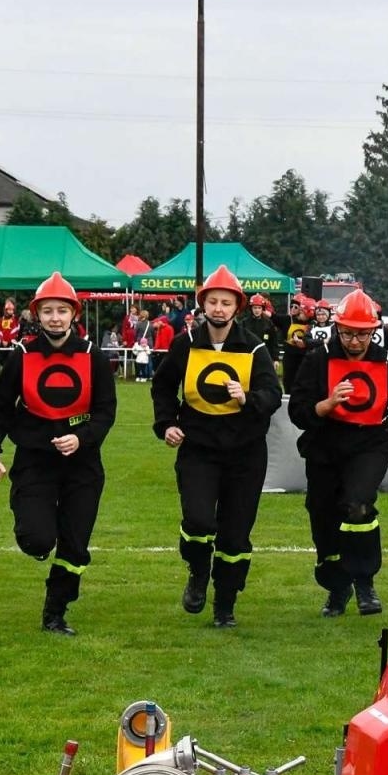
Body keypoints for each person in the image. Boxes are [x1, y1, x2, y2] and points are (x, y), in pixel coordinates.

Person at [0, 273, 117, 636]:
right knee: (38, 539)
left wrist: (82, 438)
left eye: (62, 311)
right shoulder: (23, 356)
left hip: (83, 465)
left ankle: (55, 612)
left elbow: (106, 411)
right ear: (37, 315)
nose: (55, 318)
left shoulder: (93, 356)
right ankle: (35, 528)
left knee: (75, 545)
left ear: (74, 314)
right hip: (34, 461)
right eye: (48, 311)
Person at [288, 290, 388, 617]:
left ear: (374, 331)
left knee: (357, 505)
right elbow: (298, 411)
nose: (355, 341)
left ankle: (365, 581)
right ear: (337, 329)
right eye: (348, 334)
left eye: (363, 334)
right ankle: (337, 587)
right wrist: (327, 404)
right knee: (323, 515)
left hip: (370, 444)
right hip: (324, 446)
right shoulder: (318, 360)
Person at [151, 265, 282, 628]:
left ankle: (225, 604)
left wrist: (247, 398)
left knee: (235, 535)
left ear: (237, 306)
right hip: (198, 449)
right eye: (213, 302)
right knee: (197, 520)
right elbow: (162, 386)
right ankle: (197, 571)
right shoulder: (185, 344)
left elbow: (273, 395)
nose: (219, 309)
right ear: (203, 304)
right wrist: (167, 424)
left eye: (226, 303)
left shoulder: (254, 347)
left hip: (245, 453)